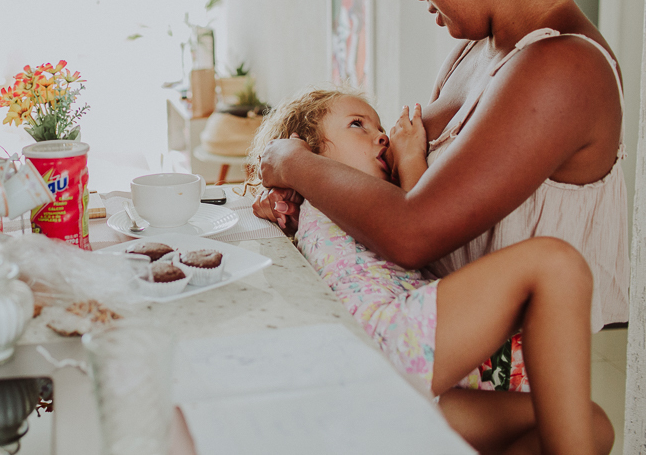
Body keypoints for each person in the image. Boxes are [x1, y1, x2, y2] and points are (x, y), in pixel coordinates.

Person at [254, 0, 629, 388]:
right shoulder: (479, 50)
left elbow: (411, 229)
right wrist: (305, 202)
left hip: (509, 388)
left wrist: (292, 162)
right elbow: (388, 172)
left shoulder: (563, 69)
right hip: (445, 358)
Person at [248, 85, 614, 454]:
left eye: (379, 126)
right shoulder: (330, 197)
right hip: (384, 340)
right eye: (357, 124)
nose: (381, 136)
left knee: (593, 425)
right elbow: (422, 225)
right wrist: (410, 161)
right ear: (307, 150)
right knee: (555, 264)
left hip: (398, 374)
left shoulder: (340, 204)